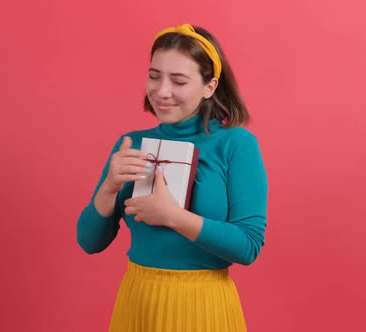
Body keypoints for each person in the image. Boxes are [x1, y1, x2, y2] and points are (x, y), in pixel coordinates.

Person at [77, 23, 268, 332]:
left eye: (178, 81)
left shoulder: (236, 145)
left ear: (210, 86)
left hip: (202, 304)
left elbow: (248, 246)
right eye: (154, 76)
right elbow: (89, 242)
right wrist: (109, 188)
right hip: (138, 300)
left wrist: (173, 216)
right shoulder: (131, 144)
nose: (161, 91)